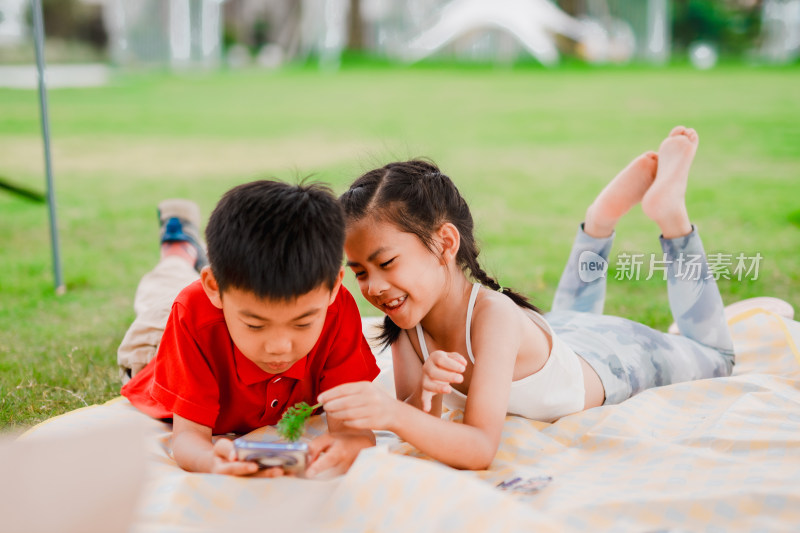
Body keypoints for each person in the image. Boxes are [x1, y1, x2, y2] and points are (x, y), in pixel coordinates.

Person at [317, 126, 768, 470]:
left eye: (386, 263)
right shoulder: (405, 325)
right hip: (563, 337)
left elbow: (478, 448)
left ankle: (671, 218)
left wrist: (392, 414)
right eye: (359, 272)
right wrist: (426, 397)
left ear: (445, 243)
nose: (372, 287)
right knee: (566, 319)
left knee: (717, 354)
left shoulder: (493, 317)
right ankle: (599, 221)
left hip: (610, 360)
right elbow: (420, 421)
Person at [120, 180, 380, 477]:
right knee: (162, 291)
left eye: (303, 322)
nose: (279, 346)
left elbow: (354, 432)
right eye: (255, 325)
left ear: (334, 287)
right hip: (161, 335)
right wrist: (211, 461)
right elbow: (188, 437)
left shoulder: (337, 310)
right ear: (214, 287)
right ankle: (179, 250)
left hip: (225, 304)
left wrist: (348, 443)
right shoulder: (191, 315)